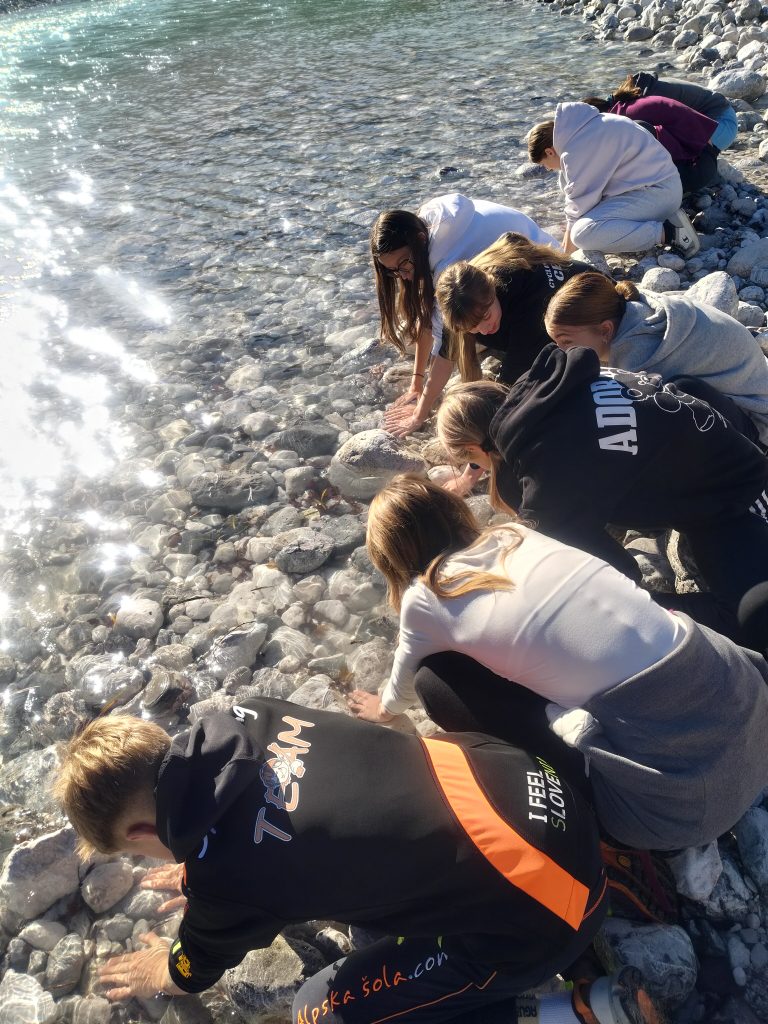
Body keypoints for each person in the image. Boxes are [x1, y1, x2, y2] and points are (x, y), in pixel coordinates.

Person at [53, 699, 657, 1024]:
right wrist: (203, 867)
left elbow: (192, 970)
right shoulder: (251, 716)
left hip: (550, 915)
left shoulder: (228, 882)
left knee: (315, 1011)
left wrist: (165, 968)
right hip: (544, 799)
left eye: (135, 848)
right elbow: (283, 814)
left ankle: (573, 1013)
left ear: (139, 831)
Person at [349, 475, 768, 851]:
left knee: (435, 681)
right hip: (750, 714)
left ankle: (559, 791)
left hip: (673, 816)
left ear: (392, 557)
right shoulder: (515, 535)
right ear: (454, 512)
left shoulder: (426, 597)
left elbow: (405, 682)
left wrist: (383, 710)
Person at [434, 346, 768, 655]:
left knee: (751, 624)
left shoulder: (545, 483)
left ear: (475, 449)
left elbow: (619, 578)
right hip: (723, 441)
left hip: (734, 494)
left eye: (472, 463)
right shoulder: (550, 389)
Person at [371, 193, 558, 437]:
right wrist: (416, 383)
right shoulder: (430, 220)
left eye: (403, 265)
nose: (403, 276)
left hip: (538, 278)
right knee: (412, 333)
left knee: (460, 329)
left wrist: (419, 414)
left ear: (420, 239)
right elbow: (427, 319)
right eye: (393, 271)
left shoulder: (448, 265)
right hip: (531, 260)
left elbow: (445, 348)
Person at [544, 271, 768, 447]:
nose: (562, 351)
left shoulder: (637, 355)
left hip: (755, 425)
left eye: (566, 342)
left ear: (605, 330)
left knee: (663, 407)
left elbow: (631, 423)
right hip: (753, 392)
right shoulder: (631, 305)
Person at [527, 103, 698, 258]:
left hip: (659, 193)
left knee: (582, 235)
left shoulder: (576, 151)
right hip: (658, 187)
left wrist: (565, 257)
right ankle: (661, 219)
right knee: (565, 180)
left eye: (544, 164)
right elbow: (577, 200)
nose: (548, 169)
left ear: (549, 152)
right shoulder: (584, 127)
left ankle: (671, 233)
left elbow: (577, 211)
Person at [582, 93, 718, 194]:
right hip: (704, 155)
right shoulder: (626, 107)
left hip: (698, 167)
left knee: (636, 138)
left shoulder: (624, 120)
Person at [610, 71, 737, 153]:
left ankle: (710, 174)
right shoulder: (634, 91)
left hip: (722, 124)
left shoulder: (639, 107)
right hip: (719, 115)